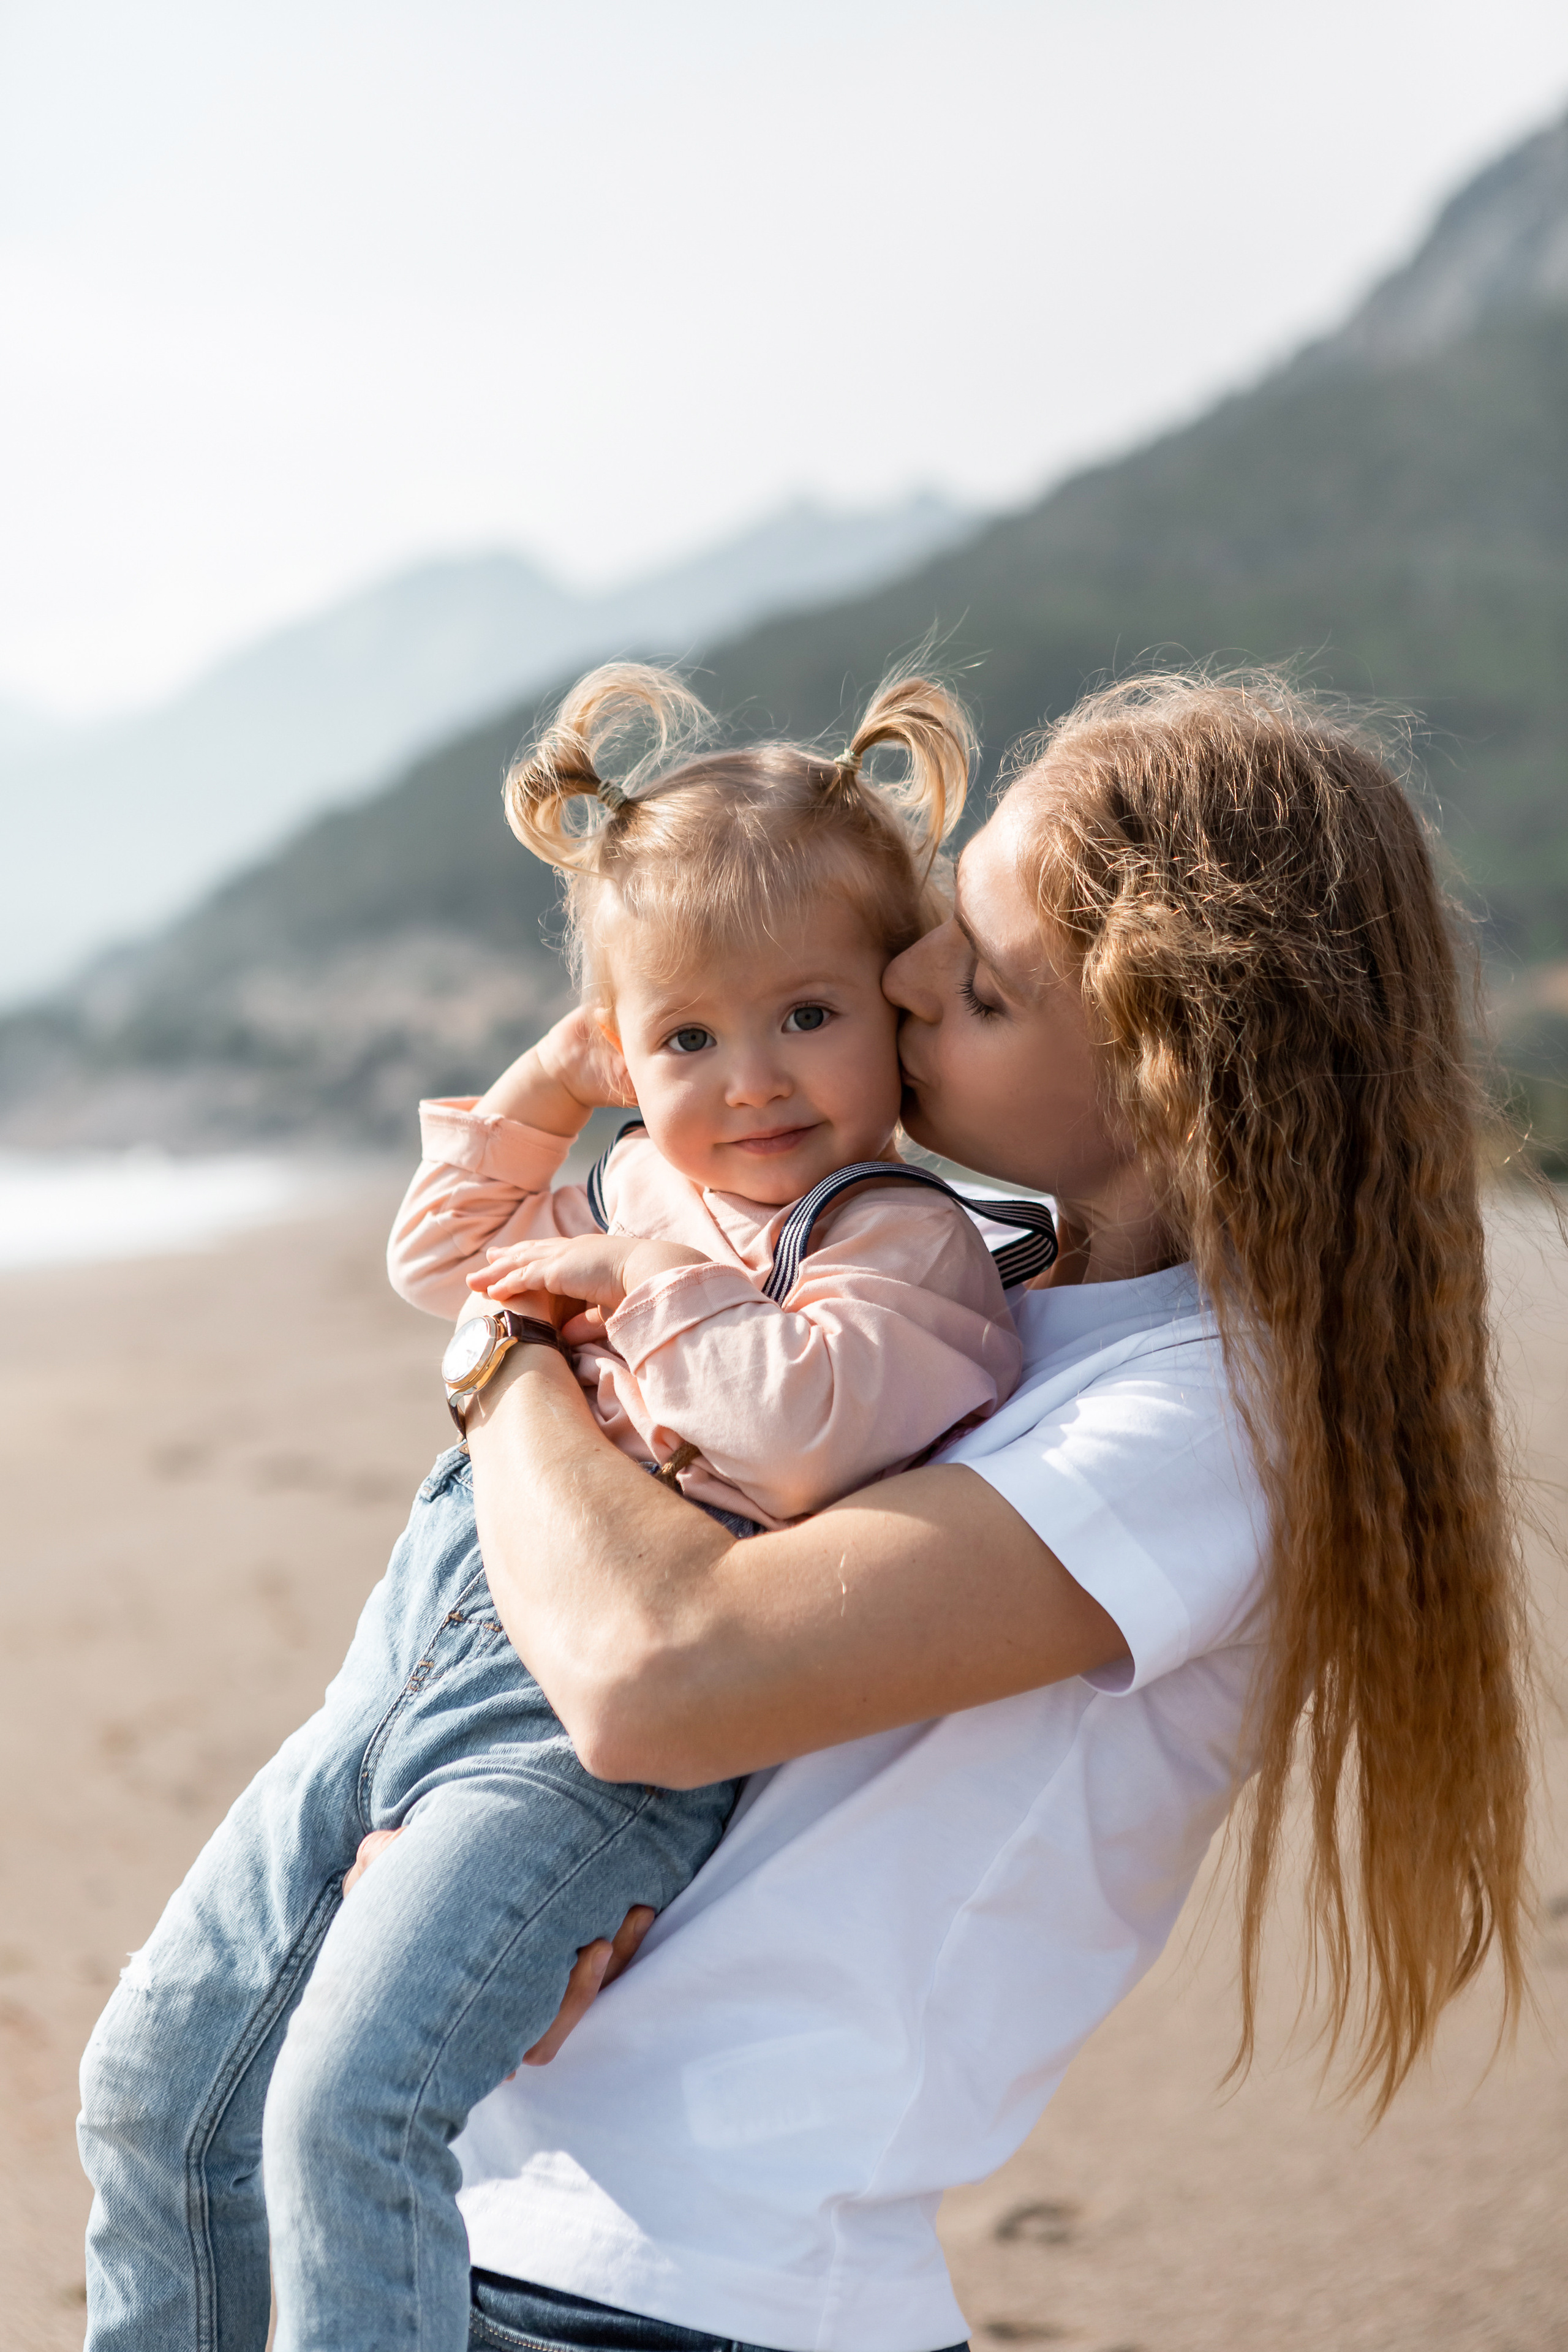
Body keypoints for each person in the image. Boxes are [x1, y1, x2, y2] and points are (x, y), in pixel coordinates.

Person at [378, 671, 1527, 2352]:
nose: (903, 973)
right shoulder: (970, 1302)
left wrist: (506, 1348)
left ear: (1164, 1076)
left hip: (691, 2273)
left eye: (977, 984)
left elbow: (659, 1674)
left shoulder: (1208, 1424)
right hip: (518, 2187)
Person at [77, 662, 1057, 2352]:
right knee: (156, 2079)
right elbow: (445, 1264)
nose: (748, 1082)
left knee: (346, 2112)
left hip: (571, 1742)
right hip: (399, 1671)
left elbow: (806, 1431)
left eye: (805, 1016)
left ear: (895, 1012)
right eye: (684, 1036)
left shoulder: (904, 1239)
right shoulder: (649, 1167)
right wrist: (550, 1091)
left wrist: (630, 1271)